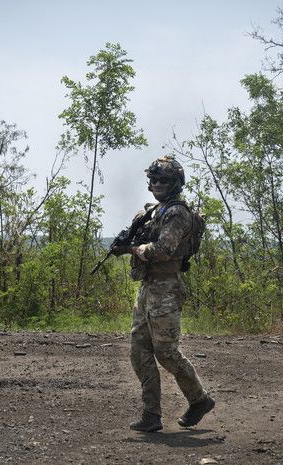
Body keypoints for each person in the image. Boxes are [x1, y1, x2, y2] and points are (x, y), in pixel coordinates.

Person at [112, 155, 215, 432]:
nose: (157, 184)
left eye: (164, 180)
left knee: (166, 353)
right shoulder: (154, 211)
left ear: (175, 183)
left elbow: (161, 250)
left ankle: (200, 399)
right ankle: (151, 414)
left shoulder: (177, 213)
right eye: (154, 179)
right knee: (138, 350)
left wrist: (133, 250)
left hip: (167, 288)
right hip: (148, 287)